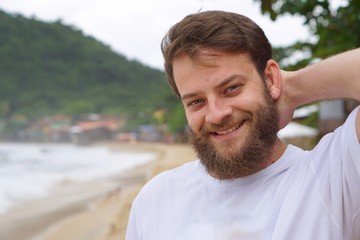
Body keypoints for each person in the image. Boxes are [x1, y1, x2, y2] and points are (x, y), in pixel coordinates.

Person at [126, 10, 360, 240]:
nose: (216, 115)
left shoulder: (334, 177)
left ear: (269, 79)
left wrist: (292, 88)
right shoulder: (156, 200)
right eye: (196, 101)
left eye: (231, 88)